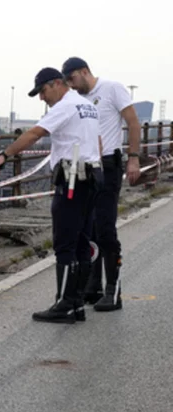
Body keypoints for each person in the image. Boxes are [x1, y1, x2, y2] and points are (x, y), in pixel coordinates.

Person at [0, 67, 103, 324]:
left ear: (57, 84)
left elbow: (35, 133)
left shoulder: (65, 105)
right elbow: (98, 141)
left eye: (43, 91)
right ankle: (77, 303)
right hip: (92, 177)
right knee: (82, 242)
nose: (42, 98)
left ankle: (65, 305)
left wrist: (4, 155)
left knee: (65, 243)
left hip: (73, 179)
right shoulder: (87, 106)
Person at [61, 57, 141, 312]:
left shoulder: (111, 88)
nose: (72, 86)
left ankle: (113, 291)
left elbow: (133, 122)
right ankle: (93, 287)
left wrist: (134, 159)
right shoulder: (77, 99)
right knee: (89, 228)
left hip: (109, 164)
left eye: (73, 79)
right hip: (88, 166)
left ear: (84, 71)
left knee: (105, 228)